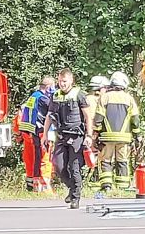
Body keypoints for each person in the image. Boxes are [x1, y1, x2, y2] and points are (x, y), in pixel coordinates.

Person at [42, 68, 93, 209]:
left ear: (71, 80)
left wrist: (89, 136)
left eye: (64, 81)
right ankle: (72, 189)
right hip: (61, 135)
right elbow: (49, 116)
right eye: (59, 81)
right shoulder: (55, 95)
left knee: (74, 168)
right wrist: (45, 134)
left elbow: (88, 116)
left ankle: (75, 198)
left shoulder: (79, 95)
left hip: (77, 136)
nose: (62, 84)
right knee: (59, 166)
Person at [94, 71, 140, 191]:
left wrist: (96, 133)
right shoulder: (129, 98)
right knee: (122, 160)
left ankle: (107, 186)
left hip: (107, 137)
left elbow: (99, 118)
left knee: (106, 160)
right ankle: (123, 187)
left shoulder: (105, 97)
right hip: (124, 138)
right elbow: (135, 120)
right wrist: (137, 135)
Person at [16, 76, 55, 191]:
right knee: (45, 159)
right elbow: (53, 110)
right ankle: (44, 187)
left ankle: (35, 186)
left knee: (35, 159)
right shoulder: (43, 99)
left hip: (30, 133)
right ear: (48, 87)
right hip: (41, 132)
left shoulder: (33, 96)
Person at [85, 75, 109, 185]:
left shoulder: (86, 98)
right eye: (106, 88)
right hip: (93, 133)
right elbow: (95, 119)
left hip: (87, 133)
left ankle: (90, 179)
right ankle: (93, 180)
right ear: (99, 89)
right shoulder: (95, 100)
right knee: (95, 156)